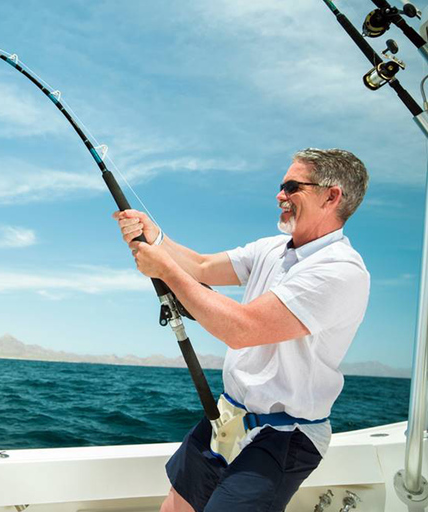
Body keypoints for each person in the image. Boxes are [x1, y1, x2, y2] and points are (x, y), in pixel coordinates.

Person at [113, 148, 370, 512]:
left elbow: (242, 328)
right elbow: (201, 266)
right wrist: (156, 239)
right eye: (282, 186)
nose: (280, 195)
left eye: (293, 187)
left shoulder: (340, 271)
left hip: (284, 434)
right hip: (227, 416)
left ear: (332, 196)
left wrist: (165, 270)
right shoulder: (271, 249)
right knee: (174, 507)